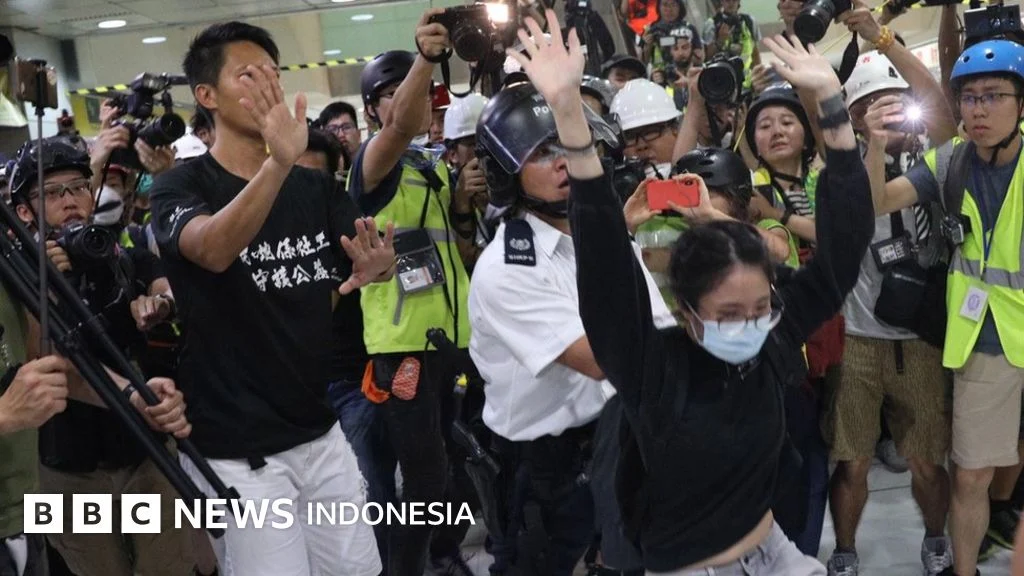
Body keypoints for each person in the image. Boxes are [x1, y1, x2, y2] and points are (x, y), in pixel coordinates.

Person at [511, 12, 873, 574]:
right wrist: (568, 115)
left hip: (778, 553)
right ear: (687, 311)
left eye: (760, 308)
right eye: (730, 313)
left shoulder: (772, 343)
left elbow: (845, 249)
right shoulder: (652, 368)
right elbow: (606, 273)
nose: (751, 324)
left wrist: (829, 103)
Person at [150, 21, 393, 576]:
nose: (267, 87)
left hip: (320, 427)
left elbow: (351, 268)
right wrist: (278, 161)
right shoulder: (180, 186)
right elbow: (211, 250)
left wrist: (377, 269)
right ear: (206, 96)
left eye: (273, 75)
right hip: (240, 451)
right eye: (248, 75)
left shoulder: (315, 189)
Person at [470, 80, 664, 576]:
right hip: (543, 467)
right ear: (507, 173)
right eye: (540, 151)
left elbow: (657, 326)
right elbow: (606, 359)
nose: (561, 161)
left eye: (567, 144)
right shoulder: (507, 268)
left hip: (614, 438)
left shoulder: (602, 238)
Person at [869, 39, 1024, 576]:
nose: (978, 109)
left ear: (1021, 104)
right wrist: (871, 145)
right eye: (969, 98)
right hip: (983, 338)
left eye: (994, 96)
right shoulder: (949, 160)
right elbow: (879, 201)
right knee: (970, 474)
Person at [821, 7, 959, 571]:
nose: (883, 108)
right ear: (850, 115)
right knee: (851, 462)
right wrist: (872, 141)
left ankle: (934, 540)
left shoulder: (940, 155)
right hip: (859, 338)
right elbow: (866, 201)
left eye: (892, 98)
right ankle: (847, 552)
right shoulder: (836, 161)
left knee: (927, 460)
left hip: (921, 336)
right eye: (866, 104)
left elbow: (941, 104)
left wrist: (882, 38)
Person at [348, 13, 475, 573]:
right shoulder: (373, 163)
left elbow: (458, 251)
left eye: (419, 90)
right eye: (391, 95)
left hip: (454, 341)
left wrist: (466, 208)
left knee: (456, 466)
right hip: (403, 347)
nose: (408, 102)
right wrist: (424, 60)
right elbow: (400, 128)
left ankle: (445, 557)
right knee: (423, 478)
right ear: (374, 107)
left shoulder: (436, 170)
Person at [702, 0, 760, 89]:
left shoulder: (749, 21)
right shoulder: (712, 24)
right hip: (721, 83)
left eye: (734, 0)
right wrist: (720, 40)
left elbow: (755, 54)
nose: (731, 3)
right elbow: (706, 58)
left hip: (747, 84)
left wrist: (758, 78)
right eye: (727, 0)